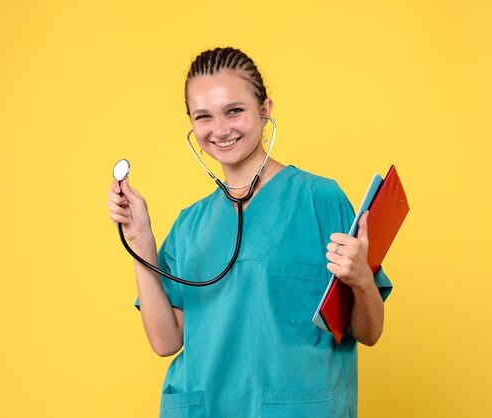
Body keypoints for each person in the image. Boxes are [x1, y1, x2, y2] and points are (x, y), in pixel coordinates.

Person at [107, 47, 392, 418]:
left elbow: (368, 332)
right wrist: (141, 240)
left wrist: (362, 281)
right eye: (203, 116)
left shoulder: (320, 200)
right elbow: (165, 341)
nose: (221, 129)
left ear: (265, 109)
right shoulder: (190, 225)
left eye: (234, 111)